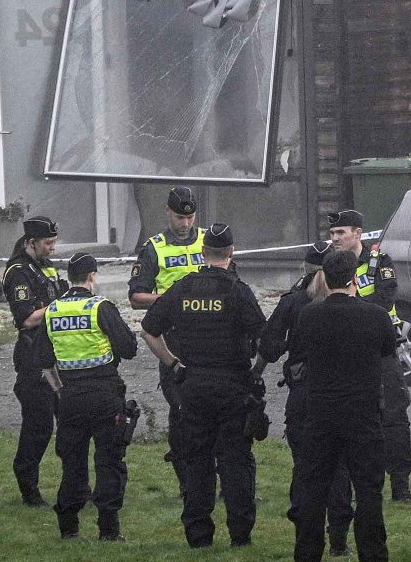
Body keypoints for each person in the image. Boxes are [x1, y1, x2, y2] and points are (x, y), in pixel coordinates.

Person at [143, 222, 268, 548]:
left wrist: (173, 364)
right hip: (232, 385)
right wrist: (256, 370)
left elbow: (148, 331)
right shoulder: (237, 291)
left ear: (202, 252)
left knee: (197, 461)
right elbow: (264, 337)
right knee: (236, 461)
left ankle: (198, 537)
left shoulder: (183, 288)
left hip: (193, 385)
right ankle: (240, 536)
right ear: (231, 252)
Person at [288, 248, 398, 562]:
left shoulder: (310, 314)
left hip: (321, 415)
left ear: (323, 276)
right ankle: (373, 553)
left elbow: (298, 351)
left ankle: (307, 553)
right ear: (353, 279)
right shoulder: (375, 316)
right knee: (368, 491)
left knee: (313, 491)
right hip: (362, 415)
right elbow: (387, 349)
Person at [261, 241, 358, 556]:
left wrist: (255, 372)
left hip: (304, 396)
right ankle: (339, 541)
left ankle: (304, 539)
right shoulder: (352, 304)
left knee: (305, 470)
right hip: (342, 396)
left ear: (306, 267)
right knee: (340, 470)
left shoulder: (293, 303)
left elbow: (270, 347)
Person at [47, 252, 140, 541]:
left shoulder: (53, 310)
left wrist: (61, 390)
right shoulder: (99, 308)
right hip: (104, 395)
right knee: (109, 462)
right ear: (91, 277)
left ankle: (69, 527)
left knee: (72, 463)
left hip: (71, 398)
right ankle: (109, 530)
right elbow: (129, 348)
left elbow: (42, 360)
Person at [327, 208, 411, 503]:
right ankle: (350, 485)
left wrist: (348, 305)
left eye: (341, 233)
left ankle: (400, 486)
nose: (335, 238)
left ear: (357, 233)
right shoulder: (329, 263)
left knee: (393, 416)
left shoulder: (380, 262)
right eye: (332, 234)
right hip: (345, 352)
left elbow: (384, 298)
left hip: (381, 350)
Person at [130, 186, 208, 489]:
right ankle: (184, 475)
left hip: (206, 333)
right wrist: (169, 298)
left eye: (189, 218)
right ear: (168, 213)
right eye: (179, 218)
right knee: (180, 408)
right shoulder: (154, 247)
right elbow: (136, 296)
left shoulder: (207, 241)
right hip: (173, 336)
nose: (185, 224)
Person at [3, 215, 65, 506]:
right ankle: (28, 485)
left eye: (54, 242)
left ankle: (73, 484)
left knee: (68, 422)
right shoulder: (18, 272)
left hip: (56, 352)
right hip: (32, 355)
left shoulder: (46, 266)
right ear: (31, 242)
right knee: (38, 426)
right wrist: (59, 306)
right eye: (47, 243)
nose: (52, 248)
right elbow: (27, 318)